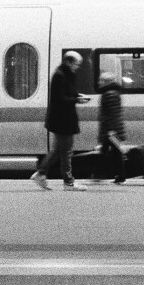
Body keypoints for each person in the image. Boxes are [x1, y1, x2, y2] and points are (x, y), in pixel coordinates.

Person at [32, 51, 87, 190]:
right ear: (68, 62)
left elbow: (67, 93)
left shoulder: (65, 75)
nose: (78, 67)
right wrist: (77, 99)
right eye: (76, 64)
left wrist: (77, 96)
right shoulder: (60, 76)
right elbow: (60, 99)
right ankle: (68, 183)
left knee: (58, 150)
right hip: (62, 120)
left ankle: (41, 173)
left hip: (63, 119)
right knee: (66, 152)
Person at [93, 73, 127, 184]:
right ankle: (116, 176)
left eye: (101, 80)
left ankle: (100, 175)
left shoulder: (109, 94)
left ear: (107, 82)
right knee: (112, 153)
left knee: (109, 153)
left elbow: (112, 114)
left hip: (111, 130)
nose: (99, 82)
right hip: (112, 129)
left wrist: (110, 131)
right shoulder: (112, 93)